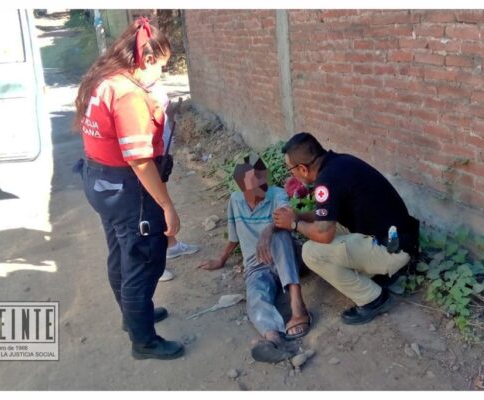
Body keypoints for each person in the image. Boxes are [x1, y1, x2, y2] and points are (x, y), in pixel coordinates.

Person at [73, 17, 183, 360]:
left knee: (121, 252)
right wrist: (166, 206)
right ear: (148, 60)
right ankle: (144, 341)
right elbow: (139, 160)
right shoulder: (129, 95)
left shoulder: (103, 81)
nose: (158, 77)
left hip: (99, 180)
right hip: (126, 188)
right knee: (143, 259)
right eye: (160, 69)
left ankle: (133, 318)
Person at [273, 132, 420, 325]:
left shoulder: (326, 182)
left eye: (290, 169)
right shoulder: (339, 164)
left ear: (302, 168)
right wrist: (298, 215)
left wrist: (294, 224)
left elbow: (324, 234)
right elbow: (325, 216)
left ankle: (373, 299)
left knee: (311, 252)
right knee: (322, 233)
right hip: (401, 239)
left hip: (393, 250)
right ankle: (381, 274)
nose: (291, 175)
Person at [197, 154, 311, 363]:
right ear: (242, 186)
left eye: (263, 177)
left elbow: (286, 214)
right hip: (257, 265)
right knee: (255, 296)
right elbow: (233, 236)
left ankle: (297, 304)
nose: (262, 183)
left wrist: (268, 231)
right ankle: (273, 339)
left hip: (288, 259)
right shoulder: (235, 201)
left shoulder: (276, 194)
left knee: (280, 234)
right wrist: (221, 260)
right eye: (255, 181)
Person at [148, 84, 199, 282]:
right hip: (146, 158)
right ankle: (153, 264)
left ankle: (171, 245)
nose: (160, 69)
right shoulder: (131, 91)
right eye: (158, 62)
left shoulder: (151, 84)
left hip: (159, 153)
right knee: (151, 207)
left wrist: (170, 114)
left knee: (158, 201)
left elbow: (164, 109)